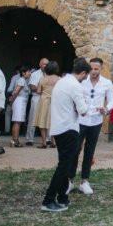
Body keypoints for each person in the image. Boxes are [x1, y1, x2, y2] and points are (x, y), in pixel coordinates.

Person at [41, 58, 90, 212]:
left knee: (65, 164)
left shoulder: (62, 81)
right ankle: (48, 200)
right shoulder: (75, 86)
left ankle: (62, 197)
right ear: (83, 73)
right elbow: (83, 110)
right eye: (85, 76)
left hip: (58, 127)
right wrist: (88, 106)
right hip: (69, 129)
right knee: (64, 166)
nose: (85, 79)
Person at [70, 57, 113, 195]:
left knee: (90, 151)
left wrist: (106, 109)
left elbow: (112, 101)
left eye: (96, 69)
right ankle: (69, 180)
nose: (94, 71)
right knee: (75, 150)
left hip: (96, 121)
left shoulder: (106, 83)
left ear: (101, 69)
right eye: (92, 69)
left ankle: (84, 180)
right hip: (81, 120)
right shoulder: (82, 81)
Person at [34, 61, 61, 148]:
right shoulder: (59, 79)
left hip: (44, 100)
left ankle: (44, 142)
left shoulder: (43, 79)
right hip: (55, 101)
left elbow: (38, 91)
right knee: (54, 121)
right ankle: (54, 142)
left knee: (42, 121)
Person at [26, 57, 48, 145]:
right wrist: (44, 90)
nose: (46, 66)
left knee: (47, 118)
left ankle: (47, 139)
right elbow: (32, 86)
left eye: (47, 64)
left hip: (47, 99)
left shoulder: (50, 74)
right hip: (37, 98)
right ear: (40, 64)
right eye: (44, 64)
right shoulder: (35, 74)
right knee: (33, 118)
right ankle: (29, 139)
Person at [8, 66, 32, 147]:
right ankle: (15, 141)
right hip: (19, 101)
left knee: (17, 121)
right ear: (23, 73)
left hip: (21, 102)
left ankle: (14, 140)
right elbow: (16, 91)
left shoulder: (24, 80)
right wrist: (12, 101)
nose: (30, 73)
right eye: (28, 72)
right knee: (17, 121)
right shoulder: (22, 80)